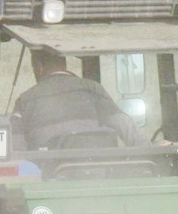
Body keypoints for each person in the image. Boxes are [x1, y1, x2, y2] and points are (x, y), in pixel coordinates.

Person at [12, 46, 149, 148]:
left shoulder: (25, 100)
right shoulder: (93, 88)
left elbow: (16, 147)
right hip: (98, 175)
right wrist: (151, 148)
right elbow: (123, 124)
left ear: (39, 66)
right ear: (64, 63)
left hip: (48, 178)